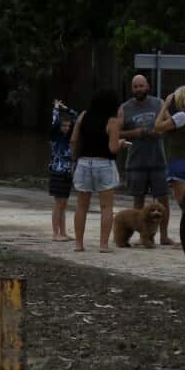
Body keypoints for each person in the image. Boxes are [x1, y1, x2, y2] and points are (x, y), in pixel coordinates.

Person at [117, 75, 173, 245]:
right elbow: (116, 132)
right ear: (132, 89)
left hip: (158, 161)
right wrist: (133, 134)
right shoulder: (124, 108)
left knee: (163, 200)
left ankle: (163, 236)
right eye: (136, 86)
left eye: (142, 85)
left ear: (148, 86)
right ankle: (142, 237)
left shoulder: (158, 103)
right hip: (136, 162)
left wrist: (160, 131)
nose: (139, 89)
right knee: (138, 203)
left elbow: (171, 123)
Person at [70, 89, 123, 252]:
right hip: (103, 164)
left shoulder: (83, 116)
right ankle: (103, 245)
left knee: (81, 206)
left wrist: (75, 159)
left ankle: (78, 244)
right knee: (106, 207)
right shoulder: (112, 121)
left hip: (84, 163)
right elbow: (113, 148)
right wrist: (121, 143)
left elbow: (73, 140)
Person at [48, 99, 79, 242]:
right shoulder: (55, 136)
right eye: (63, 125)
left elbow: (77, 118)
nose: (66, 128)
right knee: (58, 203)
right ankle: (55, 233)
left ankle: (63, 232)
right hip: (57, 171)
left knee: (64, 204)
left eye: (67, 126)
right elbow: (54, 122)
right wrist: (56, 108)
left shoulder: (68, 139)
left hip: (67, 172)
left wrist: (66, 108)